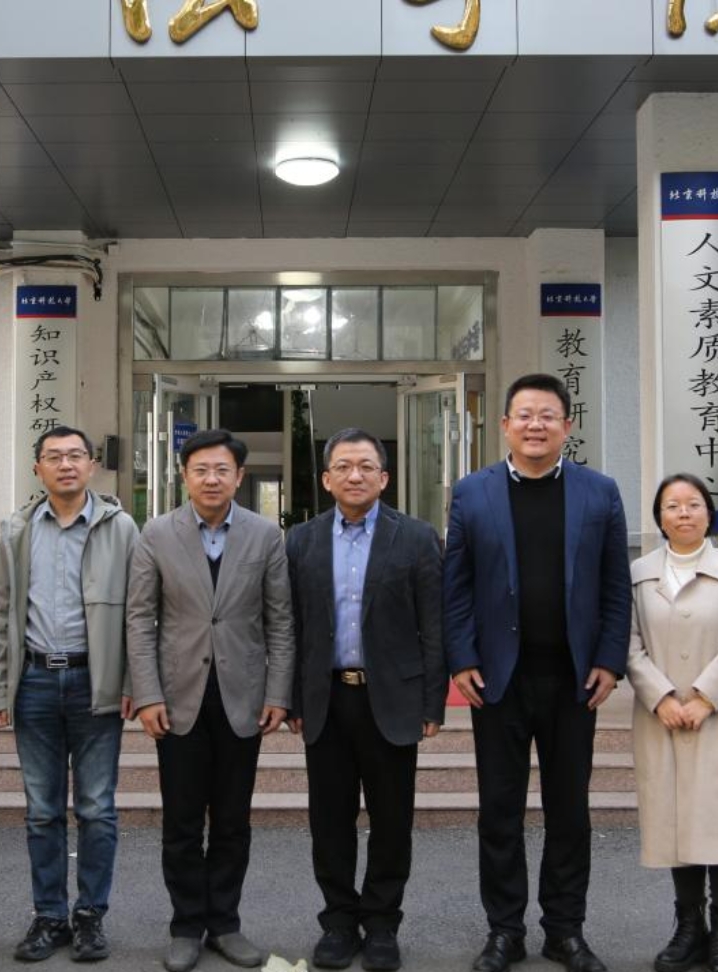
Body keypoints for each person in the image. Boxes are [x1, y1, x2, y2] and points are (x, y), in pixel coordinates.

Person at [444, 373, 633, 972]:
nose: (535, 425)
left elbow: (615, 586)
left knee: (569, 811)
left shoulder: (599, 493)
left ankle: (564, 930)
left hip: (574, 680)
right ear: (504, 425)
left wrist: (610, 660)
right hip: (497, 681)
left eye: (547, 415)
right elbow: (456, 586)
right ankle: (504, 931)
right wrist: (462, 657)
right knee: (499, 811)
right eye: (524, 415)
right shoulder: (472, 493)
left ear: (566, 426)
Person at [126, 428, 296, 972]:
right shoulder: (157, 533)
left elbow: (281, 620)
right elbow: (139, 619)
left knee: (232, 821)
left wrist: (278, 691)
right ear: (184, 475)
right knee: (180, 821)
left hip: (242, 697)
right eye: (200, 469)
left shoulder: (265, 535)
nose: (211, 479)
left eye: (222, 469)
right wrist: (147, 694)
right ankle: (185, 926)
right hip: (177, 697)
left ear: (239, 476)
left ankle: (225, 922)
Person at [286, 428, 446, 972]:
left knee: (392, 819)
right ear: (327, 479)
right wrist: (292, 698)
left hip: (393, 699)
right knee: (329, 820)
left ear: (384, 477)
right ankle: (337, 921)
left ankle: (381, 924)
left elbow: (434, 625)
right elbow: (292, 627)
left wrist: (432, 702)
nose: (355, 476)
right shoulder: (301, 540)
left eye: (365, 466)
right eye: (343, 467)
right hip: (326, 698)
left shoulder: (417, 538)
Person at [0, 426, 140, 963]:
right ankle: (49, 916)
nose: (66, 464)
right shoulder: (17, 528)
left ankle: (90, 915)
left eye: (76, 455)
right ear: (38, 469)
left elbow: (138, 611)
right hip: (33, 681)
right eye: (54, 456)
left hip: (94, 681)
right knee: (41, 810)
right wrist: (2, 687)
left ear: (92, 465)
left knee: (97, 808)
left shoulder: (120, 527)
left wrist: (131, 683)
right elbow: (2, 612)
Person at [625, 473, 718, 972]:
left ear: (708, 513)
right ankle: (689, 928)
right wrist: (660, 696)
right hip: (661, 719)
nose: (683, 513)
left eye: (693, 504)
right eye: (672, 506)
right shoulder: (640, 574)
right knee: (676, 822)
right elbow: (628, 643)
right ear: (659, 519)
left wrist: (706, 698)